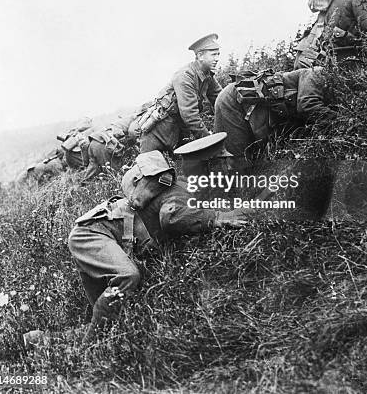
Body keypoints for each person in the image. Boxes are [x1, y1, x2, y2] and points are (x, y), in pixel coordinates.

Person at [66, 134, 247, 345]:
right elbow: (171, 217)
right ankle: (88, 352)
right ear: (209, 167)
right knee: (127, 277)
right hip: (92, 234)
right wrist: (215, 218)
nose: (228, 166)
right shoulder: (182, 192)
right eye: (223, 161)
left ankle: (40, 340)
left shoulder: (187, 186)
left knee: (109, 316)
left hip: (104, 233)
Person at [214, 66, 335, 163]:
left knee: (254, 159)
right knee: (238, 160)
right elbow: (307, 105)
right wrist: (340, 120)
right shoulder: (316, 72)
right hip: (232, 100)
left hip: (253, 111)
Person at [137, 34, 222, 153]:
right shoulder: (185, 76)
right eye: (213, 54)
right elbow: (190, 115)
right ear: (200, 55)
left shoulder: (207, 75)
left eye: (218, 54)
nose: (217, 58)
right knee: (150, 168)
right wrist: (209, 140)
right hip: (158, 133)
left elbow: (220, 99)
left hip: (177, 133)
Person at [82, 112, 139, 182]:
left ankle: (84, 184)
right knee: (113, 171)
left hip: (94, 142)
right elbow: (132, 134)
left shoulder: (122, 120)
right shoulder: (136, 119)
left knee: (93, 166)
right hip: (104, 144)